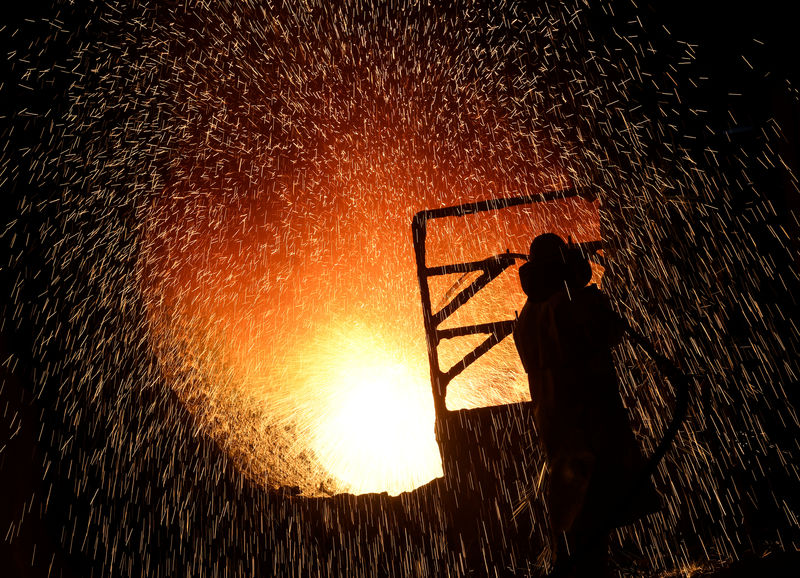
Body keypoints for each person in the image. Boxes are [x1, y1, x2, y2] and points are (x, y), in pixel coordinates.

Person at [513, 233, 660, 577]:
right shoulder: (570, 302)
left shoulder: (527, 318)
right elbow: (609, 332)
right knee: (595, 505)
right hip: (589, 418)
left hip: (554, 423)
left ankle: (579, 568)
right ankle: (588, 571)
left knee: (575, 508)